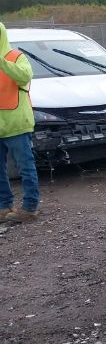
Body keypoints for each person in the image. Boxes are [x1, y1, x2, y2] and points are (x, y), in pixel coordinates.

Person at [0, 21, 39, 222]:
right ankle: (4, 206)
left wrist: (2, 62)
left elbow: (24, 77)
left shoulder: (16, 57)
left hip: (17, 124)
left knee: (26, 167)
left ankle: (29, 208)